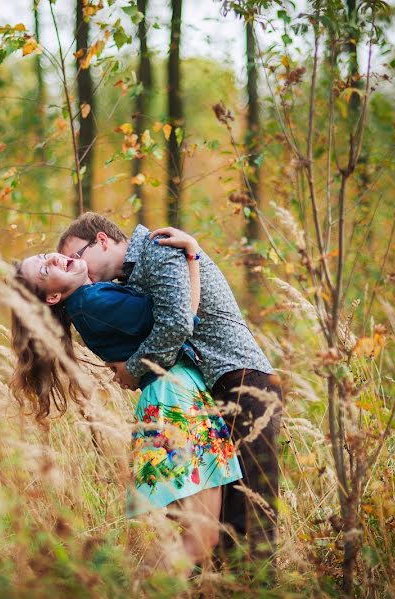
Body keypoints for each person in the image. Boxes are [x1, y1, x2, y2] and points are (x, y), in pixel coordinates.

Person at [10, 228, 243, 571]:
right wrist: (192, 256)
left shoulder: (92, 302)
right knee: (200, 539)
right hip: (174, 401)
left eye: (47, 256)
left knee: (201, 536)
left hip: (173, 398)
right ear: (52, 297)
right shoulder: (93, 303)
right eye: (46, 269)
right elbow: (179, 319)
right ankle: (135, 588)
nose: (55, 258)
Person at [56, 213, 283, 562]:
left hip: (242, 382)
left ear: (102, 240)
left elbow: (177, 324)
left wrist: (132, 370)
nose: (78, 267)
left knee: (251, 522)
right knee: (216, 527)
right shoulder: (128, 280)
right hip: (209, 389)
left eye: (77, 256)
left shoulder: (158, 249)